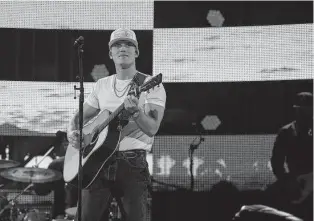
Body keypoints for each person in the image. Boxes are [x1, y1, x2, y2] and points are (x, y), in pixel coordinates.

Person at [67, 28, 166, 221]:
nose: (123, 48)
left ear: (136, 52)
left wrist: (136, 113)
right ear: (110, 53)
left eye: (129, 44)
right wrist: (73, 132)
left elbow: (152, 128)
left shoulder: (150, 84)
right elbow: (78, 117)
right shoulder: (101, 85)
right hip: (96, 165)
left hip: (131, 165)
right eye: (117, 45)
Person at [268, 92, 313, 221]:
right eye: (300, 110)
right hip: (294, 184)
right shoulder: (286, 132)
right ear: (296, 110)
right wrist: (287, 181)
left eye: (307, 110)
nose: (304, 114)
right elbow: (277, 162)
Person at [33, 130, 78, 219]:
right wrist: (37, 176)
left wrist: (36, 176)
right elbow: (42, 190)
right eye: (65, 143)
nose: (66, 145)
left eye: (67, 143)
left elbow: (42, 191)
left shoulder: (56, 164)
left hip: (62, 213)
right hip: (79, 213)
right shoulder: (56, 165)